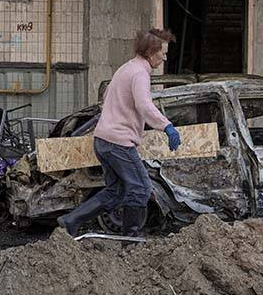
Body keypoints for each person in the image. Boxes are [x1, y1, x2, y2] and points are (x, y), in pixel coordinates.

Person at [57, 28, 182, 237]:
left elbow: (106, 100)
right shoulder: (140, 74)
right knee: (141, 188)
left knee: (116, 191)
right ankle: (130, 241)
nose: (165, 57)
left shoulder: (125, 69)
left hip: (103, 140)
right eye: (164, 53)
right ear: (152, 52)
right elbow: (144, 105)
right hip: (119, 143)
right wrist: (166, 126)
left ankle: (71, 219)